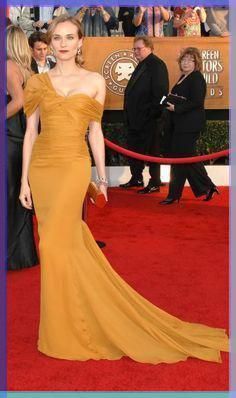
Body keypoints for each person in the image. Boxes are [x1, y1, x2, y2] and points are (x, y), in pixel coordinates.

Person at [20, 15, 228, 363]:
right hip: (42, 169)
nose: (64, 43)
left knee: (59, 242)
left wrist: (101, 179)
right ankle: (63, 320)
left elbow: (95, 133)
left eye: (71, 37)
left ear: (81, 42)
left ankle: (71, 325)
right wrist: (24, 179)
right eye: (58, 37)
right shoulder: (37, 83)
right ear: (50, 42)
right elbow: (30, 133)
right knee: (55, 247)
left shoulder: (94, 81)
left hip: (72, 167)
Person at [160, 47, 219, 205]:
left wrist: (176, 108)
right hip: (180, 125)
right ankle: (207, 187)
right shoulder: (183, 77)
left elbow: (197, 101)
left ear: (196, 63)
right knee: (186, 159)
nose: (186, 63)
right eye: (184, 60)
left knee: (182, 159)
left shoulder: (196, 78)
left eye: (189, 60)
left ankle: (174, 195)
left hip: (190, 125)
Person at [7, 25, 39, 270]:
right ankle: (21, 256)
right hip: (20, 139)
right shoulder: (27, 69)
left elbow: (17, 102)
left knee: (10, 196)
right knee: (18, 195)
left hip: (9, 138)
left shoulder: (8, 66)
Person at [120, 36, 169, 194]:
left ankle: (155, 181)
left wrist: (153, 114)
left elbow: (161, 94)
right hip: (136, 119)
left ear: (149, 48)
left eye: (138, 48)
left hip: (149, 119)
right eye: (134, 49)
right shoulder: (142, 64)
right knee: (134, 149)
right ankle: (137, 178)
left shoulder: (157, 65)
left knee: (153, 151)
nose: (135, 52)